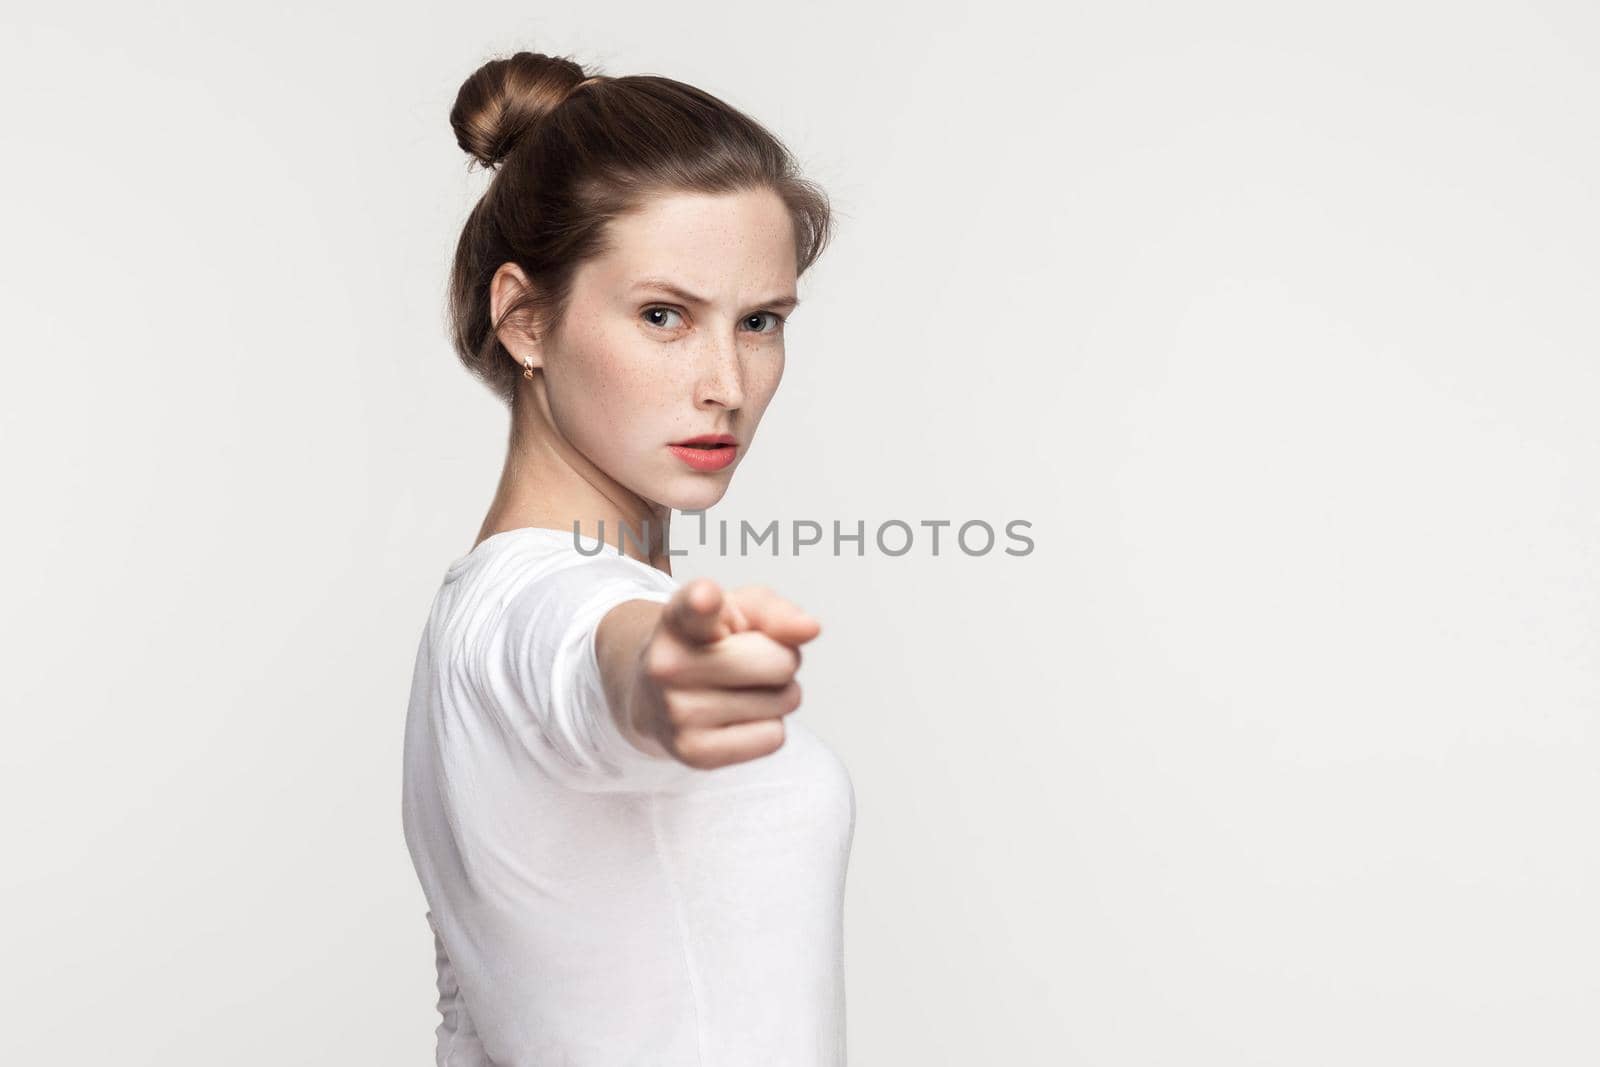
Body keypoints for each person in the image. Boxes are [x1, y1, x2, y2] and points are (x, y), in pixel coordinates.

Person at [400, 51, 856, 1066]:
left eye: (759, 322)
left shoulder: (474, 606)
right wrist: (662, 669)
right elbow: (590, 656)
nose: (726, 383)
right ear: (525, 318)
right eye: (664, 315)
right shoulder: (537, 601)